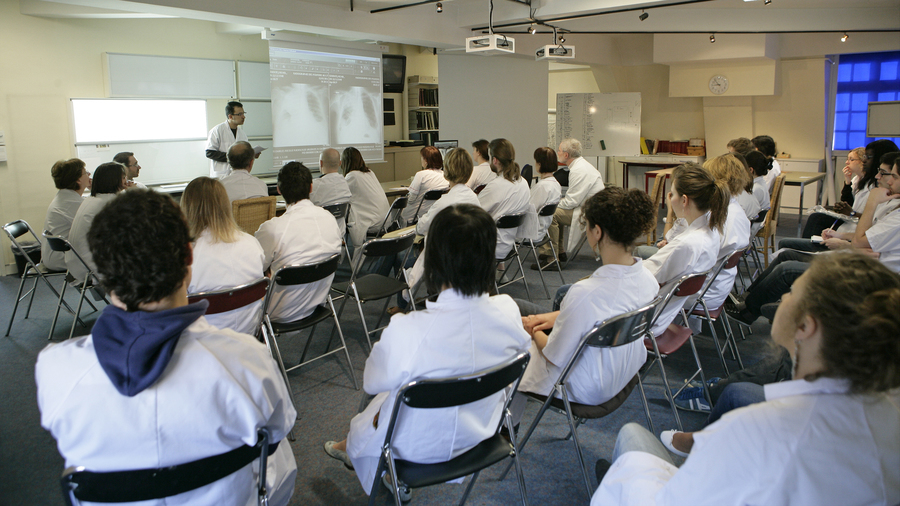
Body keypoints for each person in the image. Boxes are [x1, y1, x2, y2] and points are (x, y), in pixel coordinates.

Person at [35, 189, 298, 506]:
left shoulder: (55, 370)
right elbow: (278, 430)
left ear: (102, 274)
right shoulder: (247, 359)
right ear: (190, 257)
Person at [592, 253, 900, 506]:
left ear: (806, 326)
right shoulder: (888, 416)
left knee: (631, 439)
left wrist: (627, 479)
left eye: (792, 292)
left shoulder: (757, 428)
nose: (783, 296)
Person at [323, 204, 531, 500]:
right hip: (482, 434)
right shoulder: (508, 310)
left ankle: (382, 472)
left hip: (415, 448)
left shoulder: (407, 329)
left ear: (432, 261)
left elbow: (371, 383)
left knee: (385, 395)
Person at [514, 187, 658, 413]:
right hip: (623, 373)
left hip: (585, 387)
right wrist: (556, 317)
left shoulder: (584, 293)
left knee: (511, 343)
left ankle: (506, 428)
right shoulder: (649, 280)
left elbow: (553, 357)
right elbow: (607, 309)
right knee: (522, 311)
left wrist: (531, 330)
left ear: (597, 232)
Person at [730, 155, 900, 324]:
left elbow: (861, 241)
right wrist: (844, 238)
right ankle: (749, 299)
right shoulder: (891, 202)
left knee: (786, 269)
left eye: (891, 175)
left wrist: (870, 205)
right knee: (786, 255)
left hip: (868, 273)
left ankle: (749, 312)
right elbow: (868, 237)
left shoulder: (892, 212)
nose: (881, 178)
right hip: (859, 258)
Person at [644, 163, 727, 337]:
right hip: (665, 313)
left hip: (646, 320)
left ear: (684, 200)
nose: (669, 198)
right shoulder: (712, 228)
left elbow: (642, 277)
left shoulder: (686, 243)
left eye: (672, 194)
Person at [396, 148, 482, 312]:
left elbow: (421, 228)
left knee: (402, 258)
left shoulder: (444, 203)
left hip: (443, 261)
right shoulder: (473, 198)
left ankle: (403, 306)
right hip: (468, 259)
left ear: (447, 171)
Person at [255, 162, 342, 323]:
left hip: (278, 312)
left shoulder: (272, 229)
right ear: (311, 187)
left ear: (279, 190)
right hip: (318, 303)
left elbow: (252, 268)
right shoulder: (329, 219)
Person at [182, 177, 266, 335]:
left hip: (203, 343)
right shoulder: (251, 243)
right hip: (249, 335)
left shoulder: (187, 255)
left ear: (187, 208)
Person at [801, 140, 897, 238]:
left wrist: (851, 213)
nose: (864, 160)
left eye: (868, 157)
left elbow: (873, 222)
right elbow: (851, 204)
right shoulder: (865, 180)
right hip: (852, 225)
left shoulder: (883, 187)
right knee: (818, 216)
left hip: (856, 230)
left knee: (817, 219)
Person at [538, 138, 605, 268]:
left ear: (566, 155)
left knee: (551, 213)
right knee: (555, 211)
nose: (557, 153)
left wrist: (551, 204)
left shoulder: (579, 170)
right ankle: (560, 251)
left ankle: (552, 257)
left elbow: (571, 202)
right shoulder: (581, 165)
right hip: (591, 208)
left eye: (559, 151)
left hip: (590, 213)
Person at [698, 155, 751, 312]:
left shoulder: (720, 217)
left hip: (702, 292)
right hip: (719, 288)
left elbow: (695, 260)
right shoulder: (736, 211)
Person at [477, 138, 537, 260]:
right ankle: (499, 271)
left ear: (495, 160)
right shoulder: (523, 182)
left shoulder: (496, 185)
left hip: (489, 246)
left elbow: (473, 211)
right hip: (509, 244)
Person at [66, 162, 126, 282]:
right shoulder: (110, 202)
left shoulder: (92, 199)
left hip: (75, 264)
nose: (126, 180)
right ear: (114, 180)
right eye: (123, 177)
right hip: (90, 267)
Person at [40, 159, 90, 272]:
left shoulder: (66, 197)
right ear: (78, 179)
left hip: (56, 254)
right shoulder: (70, 202)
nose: (89, 174)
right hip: (61, 257)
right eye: (86, 172)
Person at [342, 146, 390, 250]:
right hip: (385, 219)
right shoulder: (369, 172)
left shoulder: (351, 176)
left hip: (373, 222)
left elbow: (341, 197)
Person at [400, 146, 448, 225]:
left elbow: (411, 199)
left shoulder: (420, 175)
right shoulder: (445, 176)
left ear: (426, 161)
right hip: (435, 215)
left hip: (415, 216)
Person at [311, 147, 353, 237]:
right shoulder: (345, 183)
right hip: (339, 234)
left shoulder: (314, 185)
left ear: (321, 163)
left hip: (319, 233)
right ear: (340, 163)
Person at [527, 147, 562, 250]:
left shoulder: (542, 187)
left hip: (530, 233)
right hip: (543, 230)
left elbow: (529, 210)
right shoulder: (555, 183)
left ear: (540, 164)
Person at [206, 101, 249, 179]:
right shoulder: (217, 130)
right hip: (221, 174)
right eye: (240, 114)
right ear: (230, 116)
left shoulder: (242, 134)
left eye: (243, 113)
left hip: (238, 175)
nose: (243, 117)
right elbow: (209, 152)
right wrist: (231, 157)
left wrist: (251, 154)